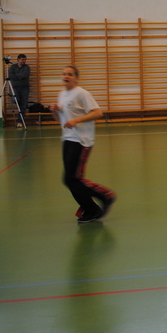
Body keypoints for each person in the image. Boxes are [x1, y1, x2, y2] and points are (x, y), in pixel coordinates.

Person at [49, 65, 116, 224]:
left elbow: (97, 112)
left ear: (76, 78)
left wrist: (76, 120)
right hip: (68, 139)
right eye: (64, 74)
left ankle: (105, 196)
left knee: (72, 178)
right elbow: (61, 121)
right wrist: (55, 111)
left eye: (70, 74)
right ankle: (91, 209)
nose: (66, 76)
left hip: (81, 140)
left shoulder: (82, 93)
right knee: (69, 180)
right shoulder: (62, 94)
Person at [7, 53, 31, 123]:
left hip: (24, 88)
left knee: (23, 105)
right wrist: (20, 77)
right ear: (18, 59)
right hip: (15, 87)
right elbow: (10, 75)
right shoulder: (12, 67)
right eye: (22, 59)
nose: (24, 61)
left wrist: (16, 76)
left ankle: (20, 121)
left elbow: (25, 75)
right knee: (15, 100)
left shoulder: (26, 67)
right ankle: (21, 106)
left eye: (25, 59)